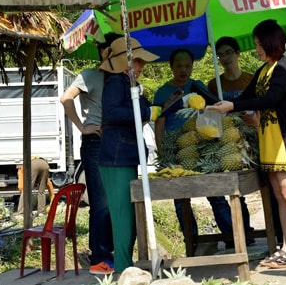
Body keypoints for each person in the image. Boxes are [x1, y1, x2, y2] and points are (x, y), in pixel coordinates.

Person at [207, 19, 286, 269]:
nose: (257, 48)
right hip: (267, 140)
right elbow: (248, 95)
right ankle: (285, 246)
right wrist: (220, 105)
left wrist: (234, 106)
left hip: (283, 139)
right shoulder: (263, 69)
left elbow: (271, 98)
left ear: (271, 41)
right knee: (279, 195)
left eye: (259, 43)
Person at [153, 48, 239, 250]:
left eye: (187, 66)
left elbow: (214, 109)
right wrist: (161, 150)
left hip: (201, 145)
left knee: (214, 192)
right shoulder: (163, 92)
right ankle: (191, 241)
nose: (184, 70)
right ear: (171, 67)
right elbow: (159, 122)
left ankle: (231, 236)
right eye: (179, 66)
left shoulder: (198, 86)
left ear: (192, 66)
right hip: (175, 147)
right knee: (180, 197)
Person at [208, 36, 284, 247]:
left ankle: (279, 235)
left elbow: (263, 106)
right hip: (229, 143)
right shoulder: (214, 84)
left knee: (270, 188)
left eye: (228, 53)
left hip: (255, 137)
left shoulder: (252, 78)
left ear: (238, 53)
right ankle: (242, 236)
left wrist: (256, 120)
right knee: (234, 190)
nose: (224, 58)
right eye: (220, 54)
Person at [59, 32, 122, 275]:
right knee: (101, 202)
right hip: (95, 143)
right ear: (104, 52)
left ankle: (117, 253)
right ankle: (99, 258)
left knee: (119, 200)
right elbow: (66, 99)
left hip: (119, 143)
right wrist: (82, 126)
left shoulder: (121, 79)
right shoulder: (89, 75)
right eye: (114, 51)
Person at [97, 36, 160, 273]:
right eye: (139, 62)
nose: (143, 66)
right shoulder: (115, 81)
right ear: (126, 62)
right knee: (123, 219)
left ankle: (127, 266)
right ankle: (123, 269)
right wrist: (145, 109)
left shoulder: (128, 83)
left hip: (125, 155)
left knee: (130, 219)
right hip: (116, 157)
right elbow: (111, 113)